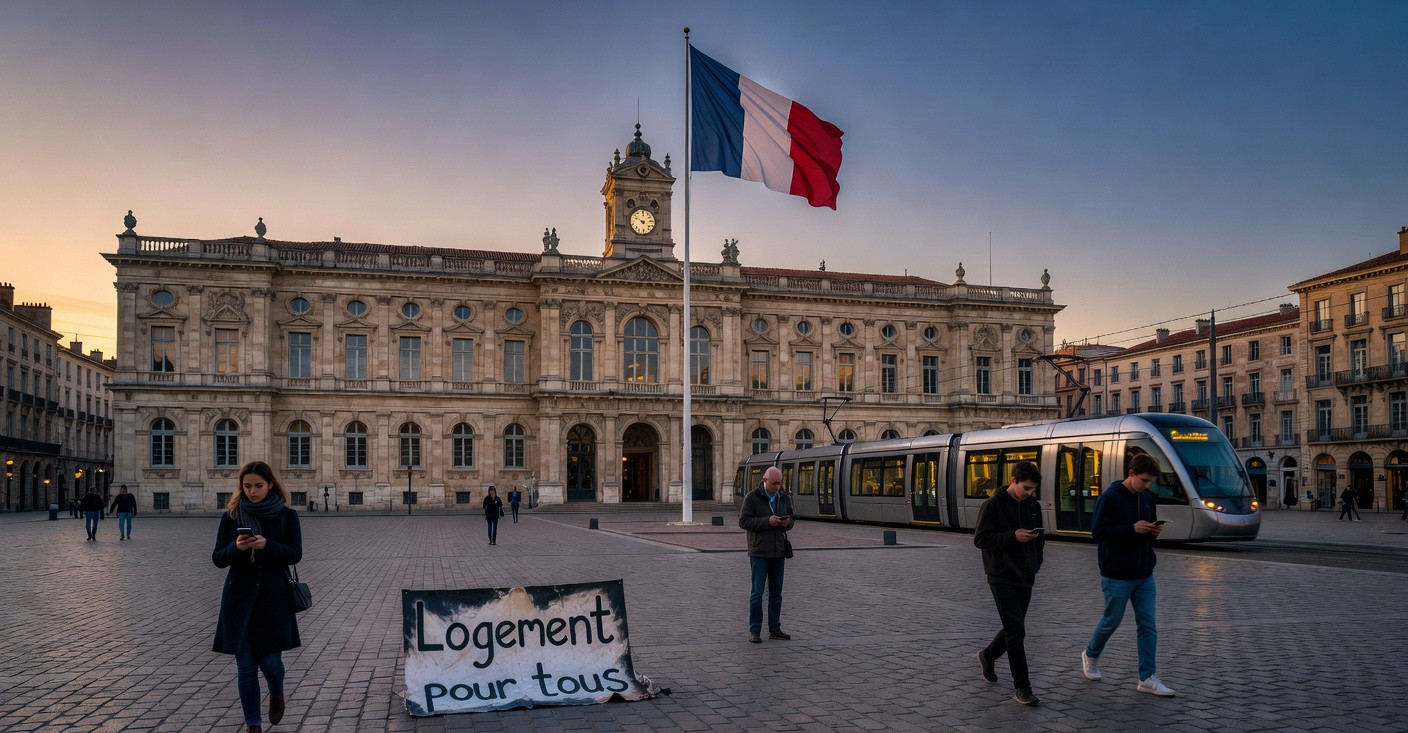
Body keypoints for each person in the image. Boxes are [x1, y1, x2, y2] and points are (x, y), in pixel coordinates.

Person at [212, 461, 303, 733]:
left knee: (272, 664)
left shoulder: (287, 516)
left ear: (271, 485)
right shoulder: (231, 517)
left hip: (272, 600)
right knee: (246, 667)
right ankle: (253, 724)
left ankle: (276, 691)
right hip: (238, 600)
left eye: (258, 486)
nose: (252, 491)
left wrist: (267, 545)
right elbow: (217, 558)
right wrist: (236, 548)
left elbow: (294, 554)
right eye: (247, 486)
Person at [1081, 453, 1175, 697]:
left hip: (1144, 572)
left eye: (1150, 481)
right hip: (1117, 573)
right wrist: (1131, 529)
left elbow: (1144, 530)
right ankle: (1090, 654)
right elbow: (1098, 532)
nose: (1147, 485)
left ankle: (1147, 677)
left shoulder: (1147, 498)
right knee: (1111, 621)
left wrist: (1154, 531)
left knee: (1148, 625)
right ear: (1131, 473)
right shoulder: (1110, 498)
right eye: (1144, 480)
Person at [973, 461, 1045, 706]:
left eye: (1033, 489)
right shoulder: (992, 505)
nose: (1029, 494)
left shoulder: (1032, 505)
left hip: (1026, 575)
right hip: (1000, 575)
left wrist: (1036, 562)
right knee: (1016, 631)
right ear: (1013, 480)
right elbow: (981, 539)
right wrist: (1012, 537)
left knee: (1014, 627)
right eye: (1026, 488)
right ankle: (1022, 688)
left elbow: (1040, 538)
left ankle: (987, 655)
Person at [739, 466, 795, 644]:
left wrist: (787, 523)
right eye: (774, 484)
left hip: (778, 552)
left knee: (776, 593)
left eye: (779, 484)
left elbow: (792, 519)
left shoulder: (783, 496)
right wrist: (767, 522)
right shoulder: (752, 497)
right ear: (764, 480)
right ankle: (755, 630)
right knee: (757, 593)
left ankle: (775, 628)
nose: (777, 487)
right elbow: (744, 521)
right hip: (759, 552)